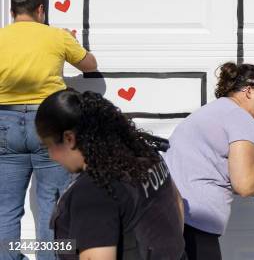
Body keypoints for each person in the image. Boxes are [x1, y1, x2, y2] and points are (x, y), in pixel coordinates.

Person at [0, 0, 97, 260]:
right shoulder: (56, 36)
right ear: (41, 11)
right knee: (50, 205)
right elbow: (90, 65)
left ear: (12, 12)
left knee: (6, 208)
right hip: (49, 124)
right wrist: (72, 42)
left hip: (5, 123)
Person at [35, 89, 186, 260]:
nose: (50, 156)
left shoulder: (94, 190)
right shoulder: (146, 155)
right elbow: (177, 204)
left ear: (69, 138)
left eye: (48, 145)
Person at [165, 62, 254, 260]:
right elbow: (245, 185)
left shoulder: (211, 112)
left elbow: (209, 171)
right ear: (249, 91)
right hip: (197, 223)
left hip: (174, 218)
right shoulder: (240, 118)